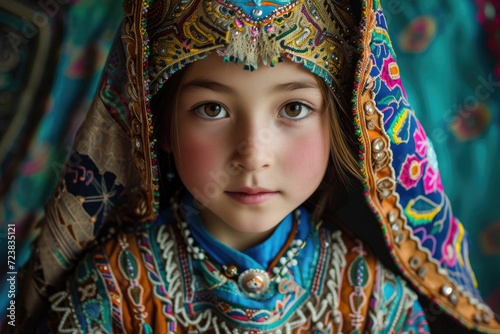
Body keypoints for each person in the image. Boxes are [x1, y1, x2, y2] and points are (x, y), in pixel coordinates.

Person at [11, 0, 500, 333]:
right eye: (212, 109)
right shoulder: (115, 287)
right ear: (156, 124)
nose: (253, 152)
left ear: (342, 124)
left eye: (293, 109)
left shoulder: (373, 298)